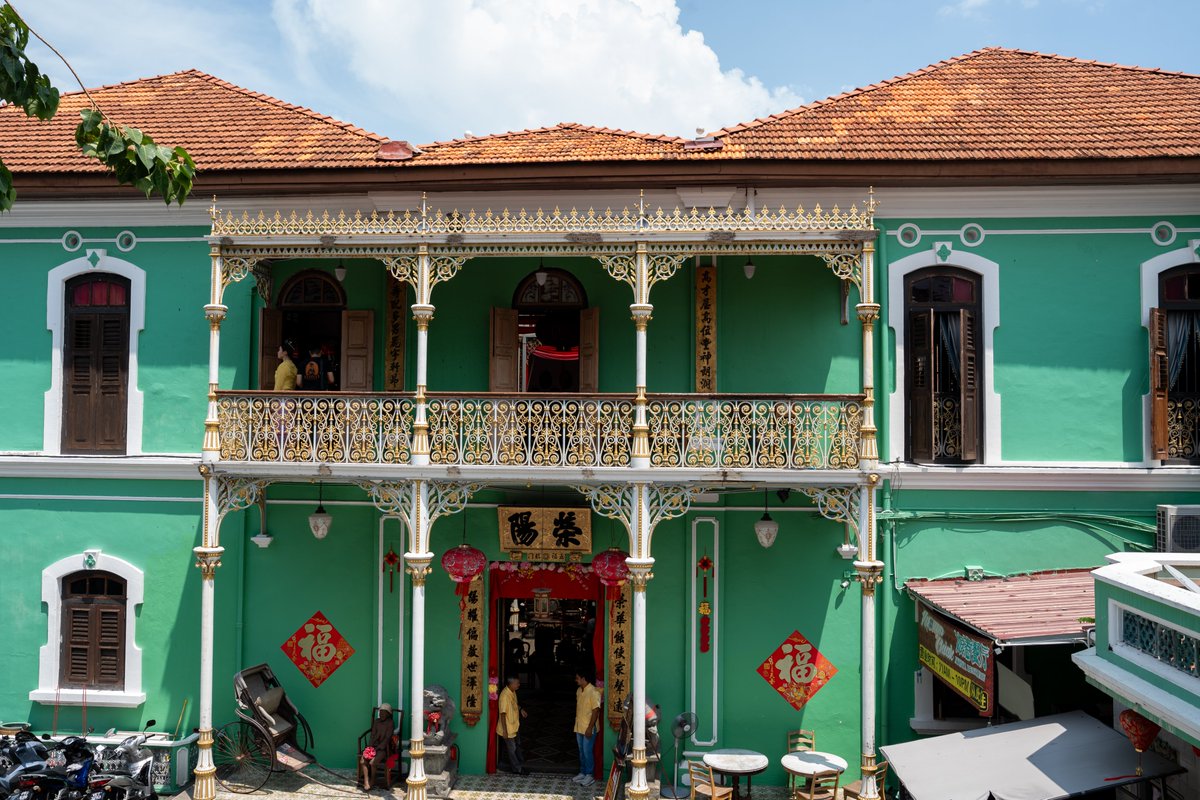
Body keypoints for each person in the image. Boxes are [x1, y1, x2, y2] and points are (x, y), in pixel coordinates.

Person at [572, 670, 602, 786]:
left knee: (587, 751)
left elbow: (596, 711)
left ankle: (589, 775)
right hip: (579, 726)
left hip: (589, 728)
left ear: (584, 678)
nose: (576, 680)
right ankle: (583, 772)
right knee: (581, 751)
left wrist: (590, 728)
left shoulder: (594, 692)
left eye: (577, 678)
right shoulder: (579, 690)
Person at [497, 676, 528, 775]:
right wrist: (505, 731)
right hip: (508, 728)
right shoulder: (504, 696)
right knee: (512, 749)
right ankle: (517, 769)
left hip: (514, 725)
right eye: (517, 683)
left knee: (517, 744)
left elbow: (515, 704)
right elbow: (502, 714)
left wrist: (521, 709)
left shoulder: (512, 692)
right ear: (511, 684)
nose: (519, 685)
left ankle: (520, 762)